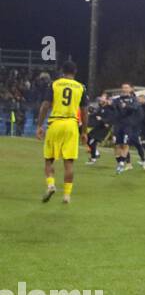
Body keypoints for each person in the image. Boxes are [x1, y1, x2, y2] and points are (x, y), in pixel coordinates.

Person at [35, 60, 87, 204]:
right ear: (75, 72)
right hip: (71, 125)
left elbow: (45, 105)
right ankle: (66, 195)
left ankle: (51, 185)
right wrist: (84, 132)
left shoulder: (54, 84)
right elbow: (84, 111)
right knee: (69, 162)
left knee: (49, 159)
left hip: (56, 123)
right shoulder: (81, 87)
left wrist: (39, 125)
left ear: (62, 71)